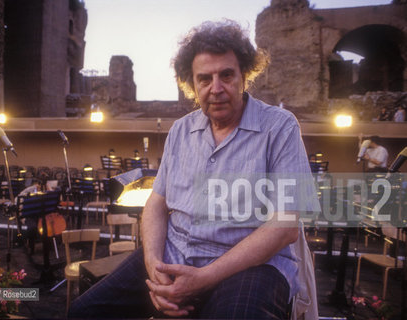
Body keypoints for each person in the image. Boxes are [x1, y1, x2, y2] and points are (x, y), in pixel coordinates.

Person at [69, 20, 317, 319]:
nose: (216, 89)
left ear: (244, 76)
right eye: (204, 79)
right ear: (192, 84)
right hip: (174, 256)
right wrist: (154, 269)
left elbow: (286, 226)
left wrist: (203, 279)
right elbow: (157, 203)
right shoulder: (180, 131)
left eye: (226, 75)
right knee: (84, 312)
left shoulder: (280, 126)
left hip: (250, 267)